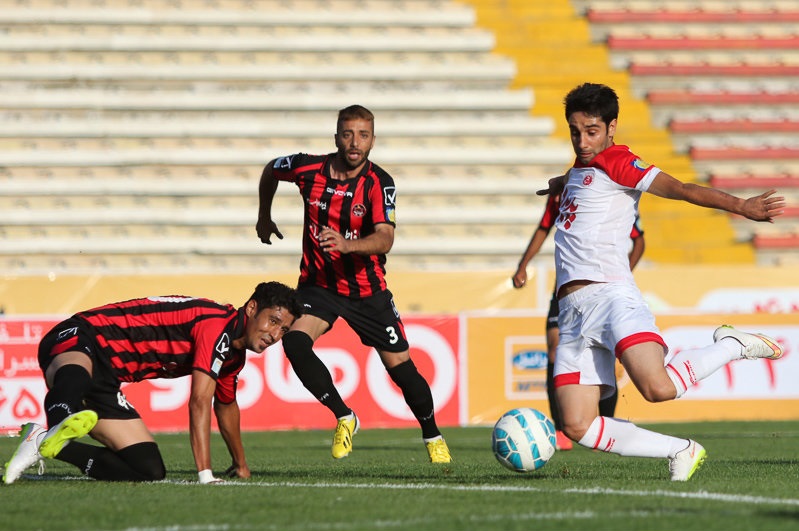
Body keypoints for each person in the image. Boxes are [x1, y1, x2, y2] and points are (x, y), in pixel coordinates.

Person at [539, 82, 785, 481]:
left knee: (658, 389)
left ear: (612, 127)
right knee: (578, 425)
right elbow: (583, 181)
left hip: (611, 297)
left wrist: (742, 206)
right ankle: (681, 450)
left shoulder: (619, 161)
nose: (582, 141)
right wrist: (560, 183)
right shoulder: (581, 169)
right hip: (570, 311)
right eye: (575, 131)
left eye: (592, 131)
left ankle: (731, 345)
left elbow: (682, 189)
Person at [255, 104, 451, 463]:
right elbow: (271, 169)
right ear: (336, 137)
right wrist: (264, 216)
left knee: (403, 372)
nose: (355, 142)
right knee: (295, 343)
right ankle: (345, 416)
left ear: (373, 140)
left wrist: (348, 245)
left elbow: (385, 238)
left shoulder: (380, 183)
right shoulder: (306, 168)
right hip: (319, 286)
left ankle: (432, 435)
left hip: (367, 290)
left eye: (363, 135)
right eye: (348, 134)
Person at [2, 281, 302, 484]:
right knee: (76, 374)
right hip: (83, 334)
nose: (275, 335)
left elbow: (225, 406)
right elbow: (199, 401)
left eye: (284, 330)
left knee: (148, 469)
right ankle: (59, 421)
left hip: (107, 378)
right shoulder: (216, 323)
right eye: (273, 321)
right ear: (251, 309)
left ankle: (42, 441)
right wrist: (205, 473)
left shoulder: (233, 357)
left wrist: (241, 465)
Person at [513, 195, 645, 451]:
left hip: (603, 287)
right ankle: (560, 429)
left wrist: (621, 277)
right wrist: (523, 265)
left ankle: (606, 423)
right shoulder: (562, 194)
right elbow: (543, 228)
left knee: (603, 351)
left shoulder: (607, 198)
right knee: (555, 347)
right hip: (567, 286)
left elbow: (639, 242)